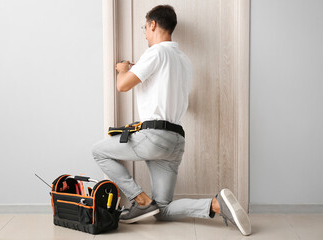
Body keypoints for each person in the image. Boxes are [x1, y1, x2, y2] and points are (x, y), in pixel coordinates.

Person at [91, 5, 251, 236]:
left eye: (145, 27)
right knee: (162, 210)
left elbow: (122, 85)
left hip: (153, 137)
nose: (144, 33)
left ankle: (140, 198)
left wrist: (122, 70)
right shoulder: (184, 61)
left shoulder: (156, 52)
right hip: (175, 141)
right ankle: (216, 205)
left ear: (153, 24)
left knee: (98, 151)